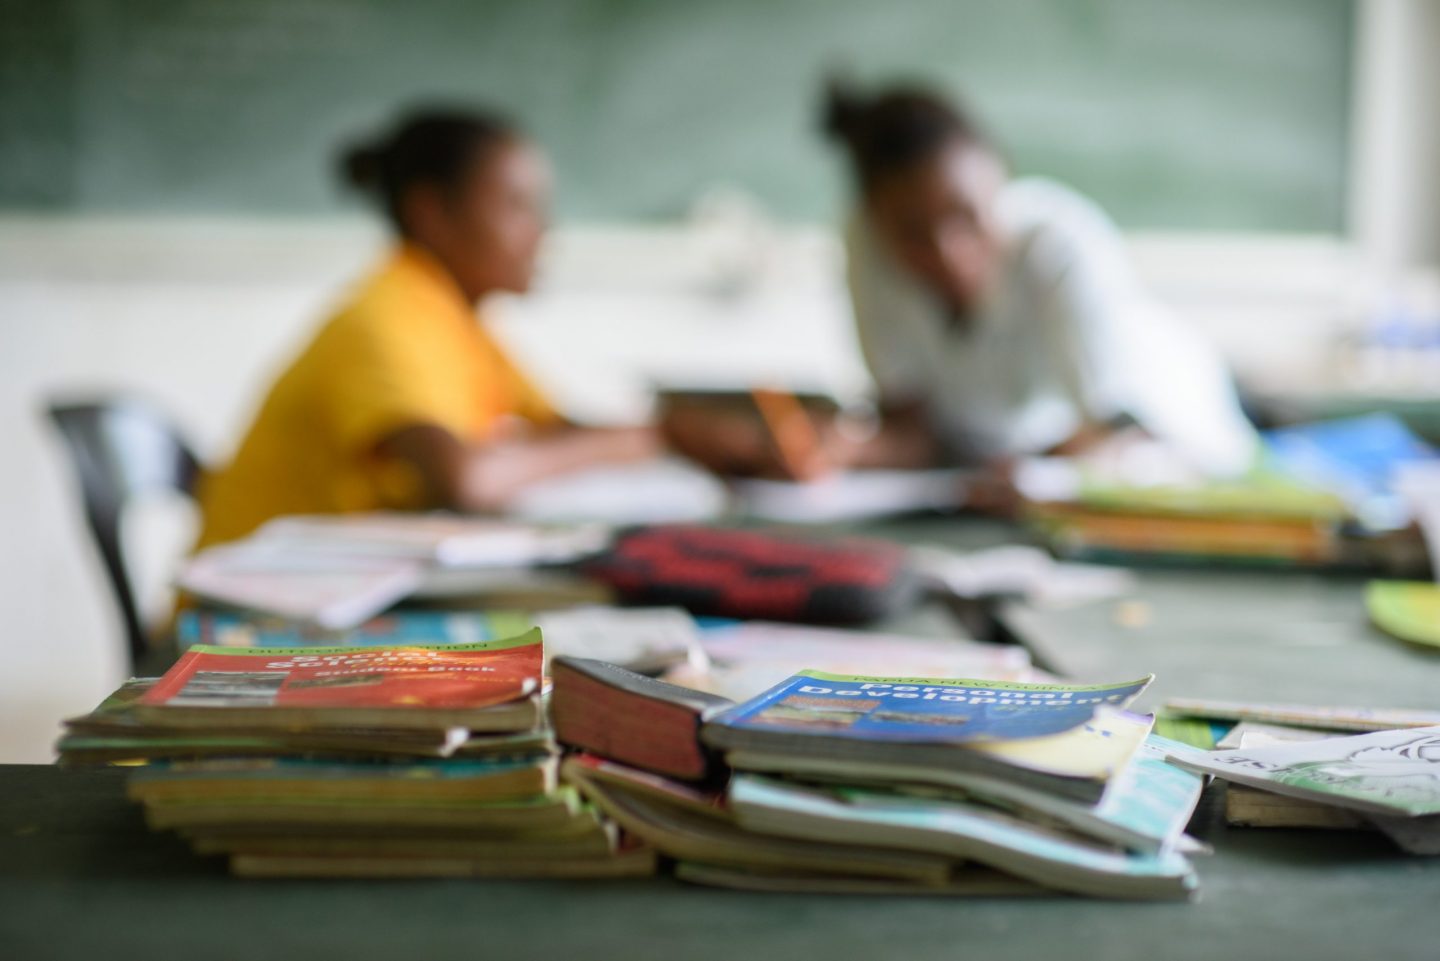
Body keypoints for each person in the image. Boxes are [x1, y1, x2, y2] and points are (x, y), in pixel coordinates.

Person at [750, 81, 1260, 487]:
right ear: (874, 219)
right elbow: (913, 427)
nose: (948, 251)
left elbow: (1114, 432)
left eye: (966, 216)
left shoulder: (1061, 244)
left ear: (998, 178)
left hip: (1181, 445)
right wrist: (840, 449)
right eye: (912, 232)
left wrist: (1030, 473)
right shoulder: (865, 242)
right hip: (1005, 466)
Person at [195, 106, 657, 548]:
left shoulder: (458, 321)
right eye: (516, 207)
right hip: (238, 619)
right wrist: (641, 440)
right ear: (430, 213)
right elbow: (465, 480)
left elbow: (555, 429)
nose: (542, 231)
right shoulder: (384, 318)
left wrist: (670, 434)